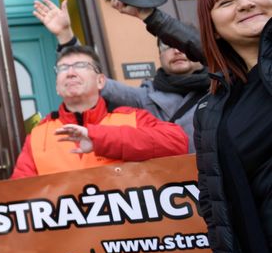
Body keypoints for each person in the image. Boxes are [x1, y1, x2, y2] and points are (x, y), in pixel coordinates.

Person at [32, 0, 208, 152]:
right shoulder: (145, 97)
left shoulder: (225, 85)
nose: (176, 51)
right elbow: (93, 81)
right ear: (159, 55)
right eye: (167, 46)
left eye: (182, 46)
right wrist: (65, 36)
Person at [187, 0, 272, 253]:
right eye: (226, 2)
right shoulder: (210, 110)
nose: (246, 4)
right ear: (214, 30)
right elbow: (212, 200)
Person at [11, 45, 188, 178]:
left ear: (101, 82)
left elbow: (178, 142)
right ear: (57, 86)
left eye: (80, 66)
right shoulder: (38, 135)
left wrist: (99, 138)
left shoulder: (132, 117)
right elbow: (21, 195)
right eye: (63, 68)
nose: (70, 73)